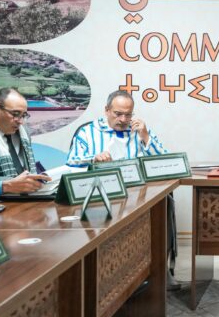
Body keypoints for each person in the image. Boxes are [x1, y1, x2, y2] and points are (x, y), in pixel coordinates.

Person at [66, 90, 178, 289]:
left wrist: (145, 137)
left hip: (137, 195)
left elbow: (163, 161)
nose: (124, 120)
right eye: (118, 114)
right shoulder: (87, 132)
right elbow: (71, 163)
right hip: (103, 196)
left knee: (165, 202)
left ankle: (160, 269)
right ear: (107, 110)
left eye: (128, 114)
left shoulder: (137, 131)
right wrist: (93, 159)